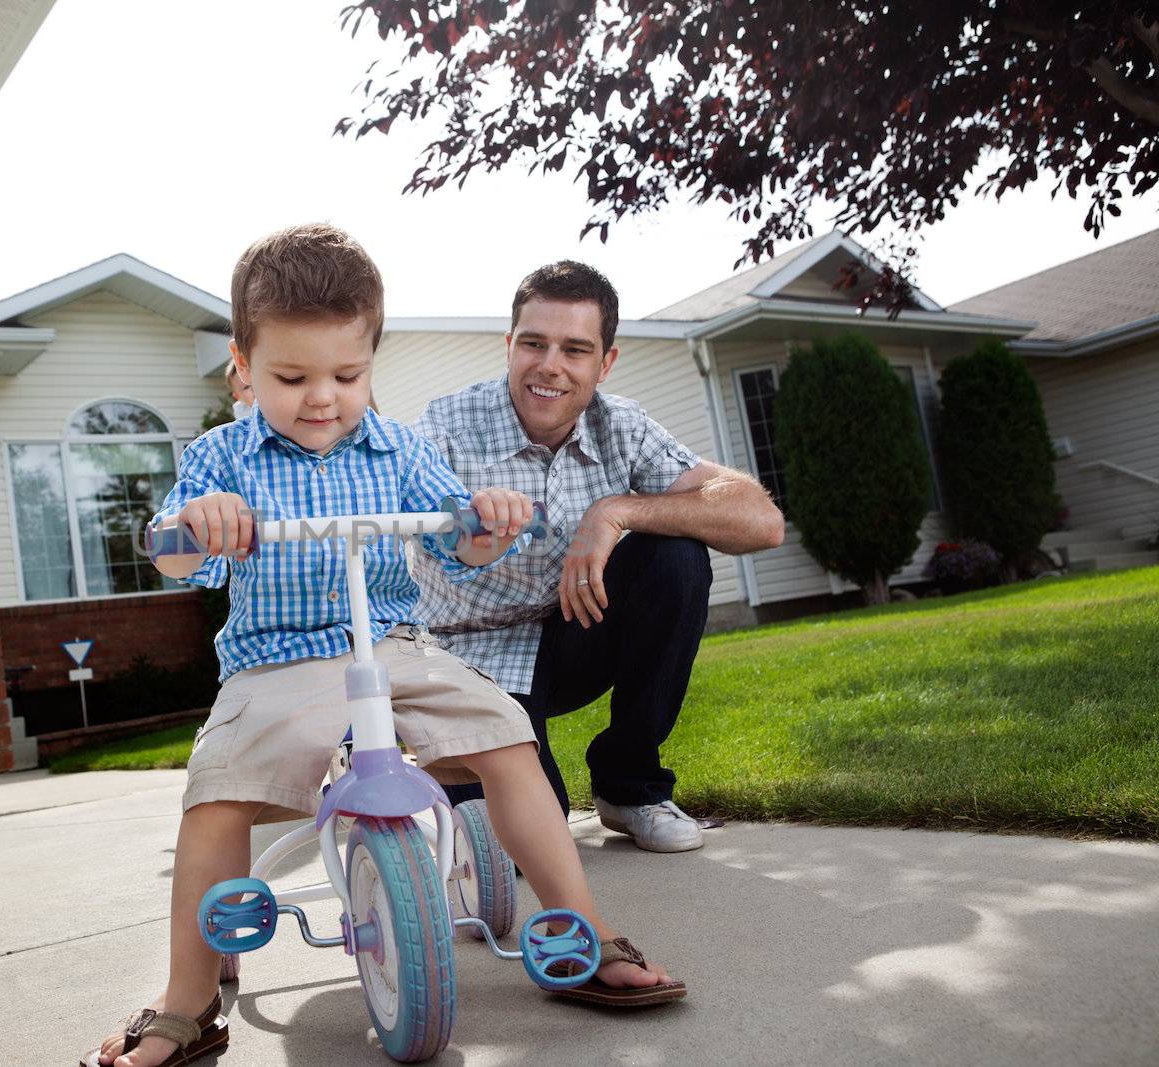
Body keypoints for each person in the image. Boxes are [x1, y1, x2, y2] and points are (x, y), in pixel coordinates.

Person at [87, 227, 684, 1067]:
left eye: (348, 374)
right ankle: (188, 997)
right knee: (217, 792)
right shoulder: (221, 456)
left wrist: (487, 519)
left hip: (396, 643)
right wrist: (199, 522)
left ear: (373, 361)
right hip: (277, 658)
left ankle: (580, 926)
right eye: (292, 378)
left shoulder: (399, 446)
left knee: (507, 735)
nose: (322, 397)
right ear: (245, 364)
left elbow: (460, 540)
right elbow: (177, 553)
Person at [413, 261, 785, 853]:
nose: (550, 366)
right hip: (470, 657)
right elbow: (424, 534)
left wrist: (617, 510)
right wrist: (477, 521)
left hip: (574, 635)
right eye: (533, 344)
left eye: (575, 349)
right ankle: (451, 788)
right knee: (528, 842)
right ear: (509, 347)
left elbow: (760, 520)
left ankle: (630, 786)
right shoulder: (445, 426)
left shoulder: (623, 426)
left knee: (675, 553)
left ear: (604, 363)